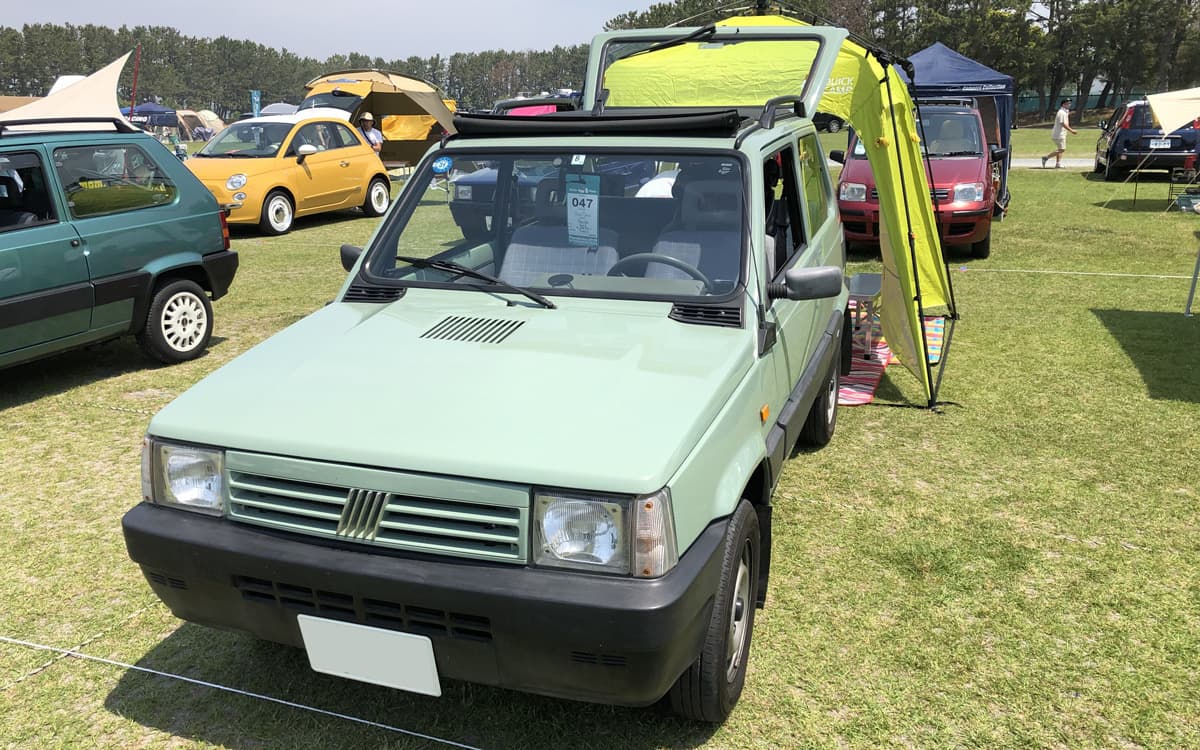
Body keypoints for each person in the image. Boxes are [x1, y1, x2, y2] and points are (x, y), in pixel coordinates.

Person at [1042, 100, 1078, 169]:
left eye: (1069, 103)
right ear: (1063, 105)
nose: (1069, 105)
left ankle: (1058, 164)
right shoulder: (1061, 112)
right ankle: (1046, 158)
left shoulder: (1064, 112)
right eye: (1067, 104)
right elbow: (1062, 123)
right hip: (1059, 134)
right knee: (1062, 149)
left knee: (1060, 149)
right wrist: (1072, 131)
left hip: (1061, 133)